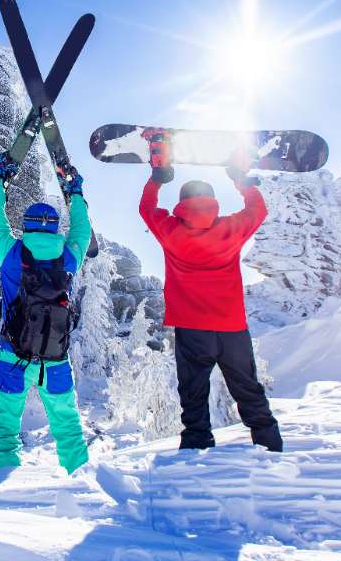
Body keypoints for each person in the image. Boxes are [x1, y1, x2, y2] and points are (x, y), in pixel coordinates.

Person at [138, 131, 283, 452]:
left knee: (193, 393)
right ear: (212, 201)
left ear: (182, 203)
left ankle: (196, 447)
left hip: (192, 329)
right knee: (248, 390)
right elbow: (258, 211)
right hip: (232, 327)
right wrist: (240, 179)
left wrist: (157, 179)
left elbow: (146, 210)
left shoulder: (172, 230)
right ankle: (270, 447)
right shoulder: (229, 229)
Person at [0, 152, 91, 474]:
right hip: (56, 360)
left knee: (4, 430)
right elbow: (82, 230)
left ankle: (6, 485)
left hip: (13, 357)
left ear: (26, 226)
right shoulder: (70, 257)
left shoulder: (13, 253)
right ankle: (81, 481)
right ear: (55, 228)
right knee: (69, 429)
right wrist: (75, 194)